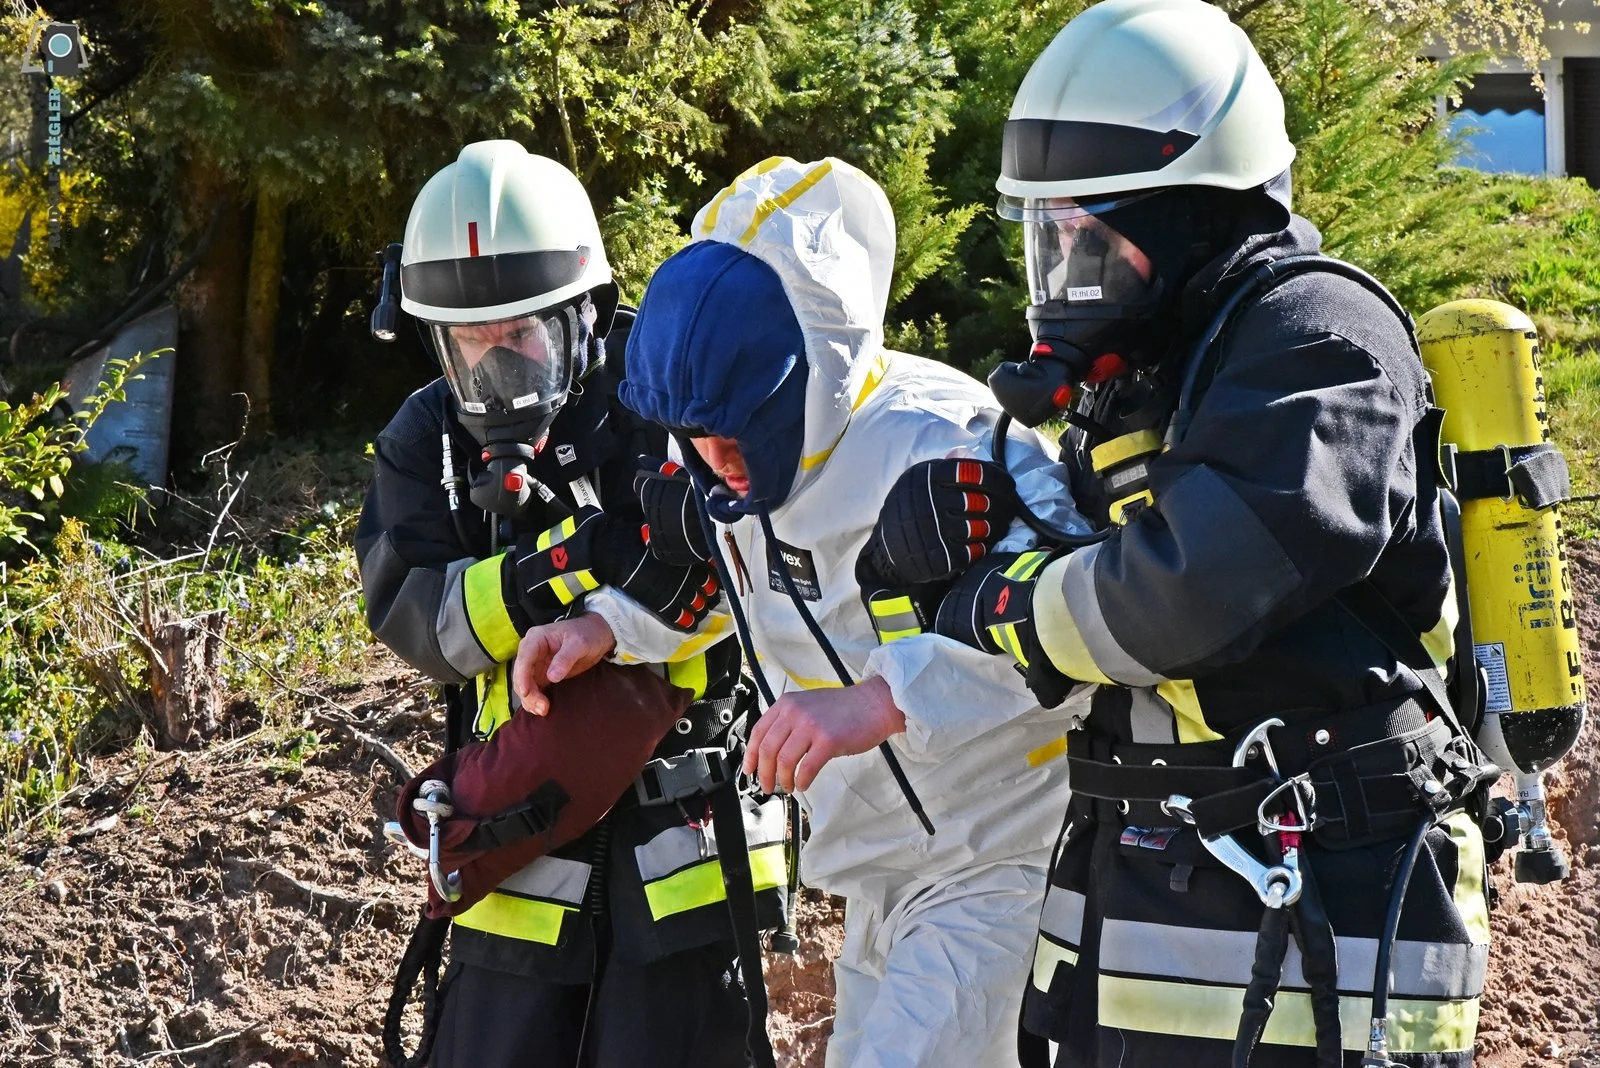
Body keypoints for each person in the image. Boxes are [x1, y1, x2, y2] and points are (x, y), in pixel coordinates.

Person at [864, 2, 1498, 1066]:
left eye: (1094, 236)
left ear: (1198, 214)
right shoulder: (1158, 371)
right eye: (1050, 236)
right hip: (1157, 892)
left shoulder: (1320, 344)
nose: (1067, 273)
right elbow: (1045, 640)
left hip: (1318, 935)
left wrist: (1007, 602)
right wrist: (915, 571)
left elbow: (1185, 594)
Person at [512, 156, 1089, 1068]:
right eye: (694, 433)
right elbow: (733, 591)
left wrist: (875, 702)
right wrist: (603, 629)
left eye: (734, 427)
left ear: (808, 372)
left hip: (1001, 858)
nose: (715, 457)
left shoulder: (944, 443)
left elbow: (1073, 618)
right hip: (878, 875)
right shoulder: (729, 463)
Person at [355, 139, 786, 1068]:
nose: (498, 367)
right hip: (522, 835)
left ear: (587, 313)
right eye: (471, 345)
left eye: (522, 337)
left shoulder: (665, 391)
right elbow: (415, 611)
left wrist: (604, 587)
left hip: (685, 831)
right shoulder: (425, 438)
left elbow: (730, 546)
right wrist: (560, 569)